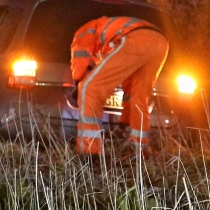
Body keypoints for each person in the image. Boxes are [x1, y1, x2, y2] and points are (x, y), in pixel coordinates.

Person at [70, 16, 169, 157]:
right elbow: (126, 86)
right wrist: (124, 121)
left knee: (89, 87)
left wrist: (78, 81)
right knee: (139, 96)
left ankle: (89, 151)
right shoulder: (111, 35)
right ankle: (139, 149)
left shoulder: (84, 31)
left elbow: (80, 55)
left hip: (136, 38)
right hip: (160, 42)